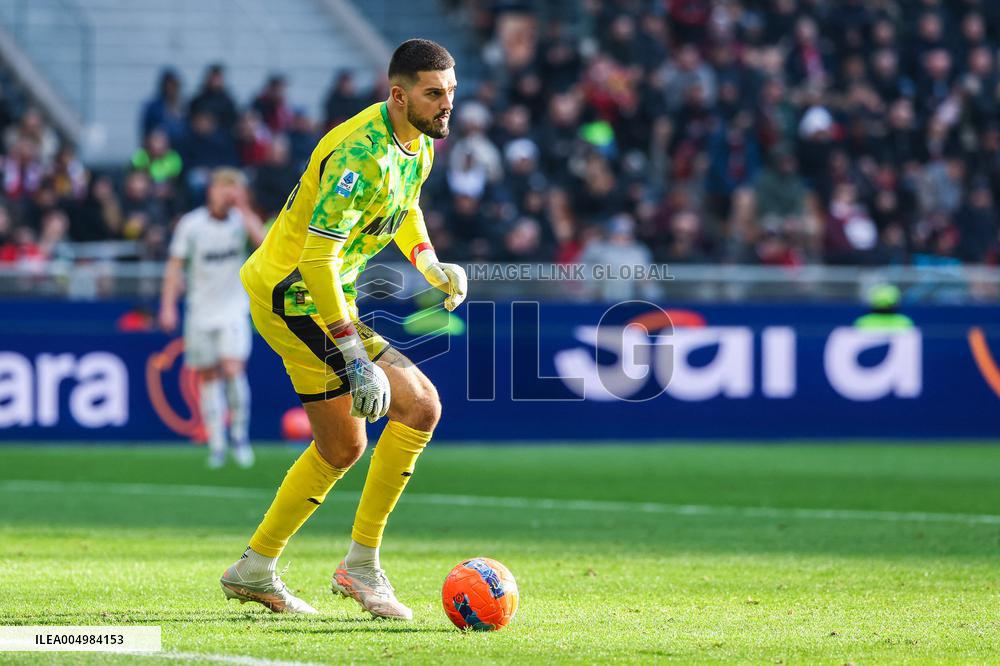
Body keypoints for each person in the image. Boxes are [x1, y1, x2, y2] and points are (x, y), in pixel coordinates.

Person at [220, 39, 466, 620]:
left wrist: (429, 263)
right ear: (399, 96)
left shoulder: (418, 143)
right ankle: (361, 566)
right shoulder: (359, 154)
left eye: (452, 91)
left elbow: (403, 208)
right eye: (435, 93)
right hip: (295, 293)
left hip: (312, 293)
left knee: (342, 446)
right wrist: (355, 355)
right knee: (420, 405)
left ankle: (253, 569)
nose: (447, 104)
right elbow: (316, 259)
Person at [158, 168, 266, 468]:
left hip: (233, 309)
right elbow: (174, 266)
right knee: (208, 376)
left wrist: (244, 208)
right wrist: (167, 306)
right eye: (222, 187)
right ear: (211, 191)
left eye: (233, 188)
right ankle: (217, 443)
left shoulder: (241, 221)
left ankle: (240, 437)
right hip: (200, 311)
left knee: (232, 369)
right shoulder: (191, 224)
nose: (226, 193)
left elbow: (264, 244)